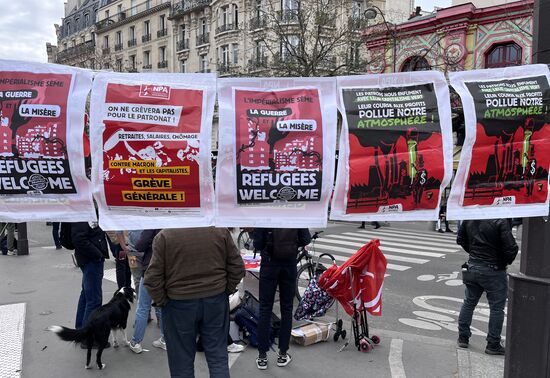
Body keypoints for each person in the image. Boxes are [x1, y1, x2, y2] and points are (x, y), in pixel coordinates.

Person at [144, 227, 244, 378]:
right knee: (218, 357)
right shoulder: (219, 232)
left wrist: (163, 300)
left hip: (178, 302)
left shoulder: (165, 236)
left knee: (181, 361)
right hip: (215, 299)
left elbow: (152, 279)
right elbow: (237, 267)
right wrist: (225, 290)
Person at [456, 219, 518, 355]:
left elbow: (460, 238)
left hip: (473, 265)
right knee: (496, 308)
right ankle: (493, 343)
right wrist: (503, 261)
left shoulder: (471, 215)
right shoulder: (501, 219)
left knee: (469, 302)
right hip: (493, 269)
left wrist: (473, 252)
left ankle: (463, 337)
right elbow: (511, 248)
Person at [252, 228, 311, 370]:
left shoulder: (266, 214)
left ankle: (262, 357)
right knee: (287, 308)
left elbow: (258, 244)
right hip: (289, 264)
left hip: (269, 263)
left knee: (265, 309)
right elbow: (305, 239)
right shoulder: (295, 212)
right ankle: (283, 354)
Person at [128, 229, 165, 353]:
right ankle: (165, 339)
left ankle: (136, 341)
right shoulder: (172, 222)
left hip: (149, 266)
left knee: (143, 306)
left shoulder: (152, 224)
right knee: (162, 304)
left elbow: (140, 245)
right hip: (167, 268)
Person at [72, 221, 110, 330]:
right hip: (91, 259)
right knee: (94, 299)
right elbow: (79, 239)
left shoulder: (82, 210)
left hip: (88, 258)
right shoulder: (84, 211)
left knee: (86, 296)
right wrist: (98, 254)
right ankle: (88, 336)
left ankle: (81, 329)